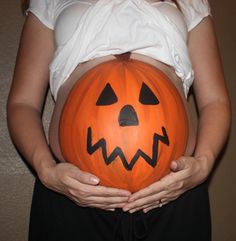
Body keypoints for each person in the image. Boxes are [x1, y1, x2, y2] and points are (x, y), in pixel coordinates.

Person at [7, 0, 231, 240]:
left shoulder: (190, 2)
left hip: (174, 189)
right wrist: (46, 169)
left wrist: (203, 164)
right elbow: (23, 103)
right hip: (72, 190)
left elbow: (214, 101)